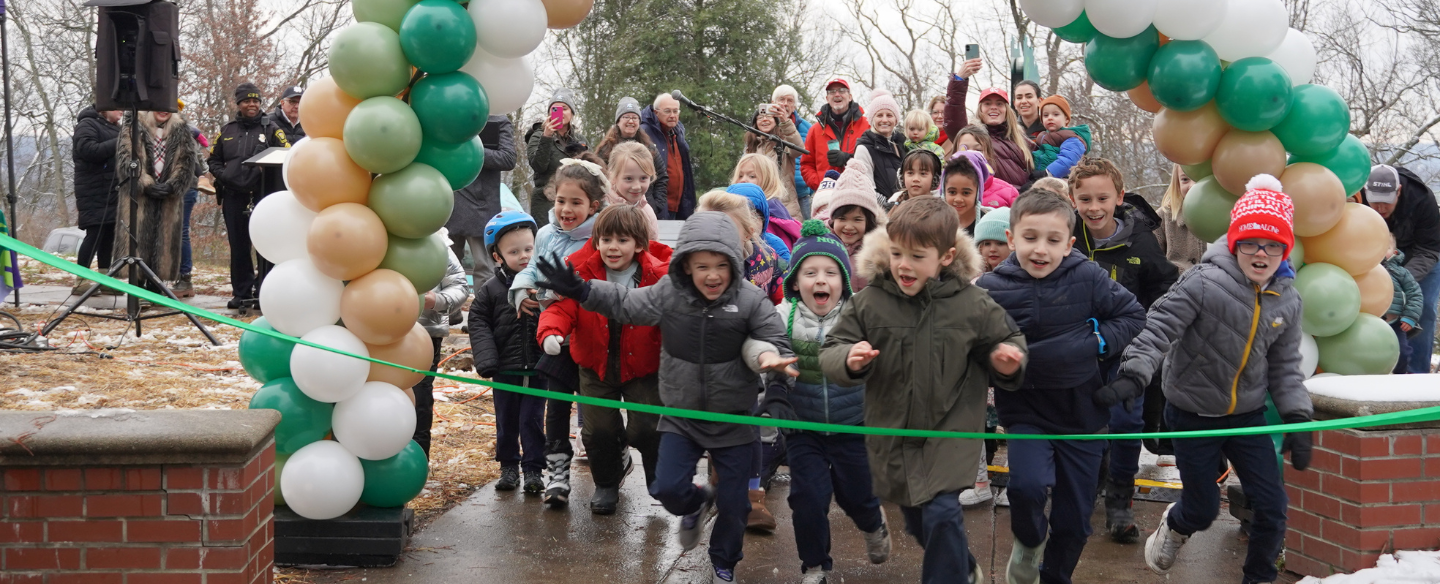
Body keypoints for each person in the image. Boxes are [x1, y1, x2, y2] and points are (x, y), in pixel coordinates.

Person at [533, 212, 798, 584]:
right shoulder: (669, 293)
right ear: (686, 265)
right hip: (681, 416)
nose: (712, 275)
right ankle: (696, 503)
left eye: (721, 266)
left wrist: (779, 387)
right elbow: (627, 302)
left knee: (736, 504)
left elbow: (776, 343)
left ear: (734, 264)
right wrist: (584, 291)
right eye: (702, 266)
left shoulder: (751, 299)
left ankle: (723, 564)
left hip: (735, 420)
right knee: (668, 489)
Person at [1107, 175, 1313, 584]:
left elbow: (1286, 366)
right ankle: (1175, 526)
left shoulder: (1287, 299)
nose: (1261, 253)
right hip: (1192, 412)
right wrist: (1134, 372)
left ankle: (1258, 578)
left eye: (1272, 244)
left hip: (1247, 415)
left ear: (1285, 249)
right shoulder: (1203, 282)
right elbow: (1158, 328)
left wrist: (1297, 415)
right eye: (1251, 242)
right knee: (1202, 510)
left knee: (1272, 508)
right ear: (1234, 242)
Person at [821, 197, 1028, 584]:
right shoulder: (870, 302)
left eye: (917, 256)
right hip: (893, 433)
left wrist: (1007, 360)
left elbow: (1009, 340)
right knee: (919, 521)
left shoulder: (973, 303)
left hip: (950, 431)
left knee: (941, 513)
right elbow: (833, 347)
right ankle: (961, 566)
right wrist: (849, 358)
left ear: (946, 257)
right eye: (897, 253)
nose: (904, 265)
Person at [977, 190, 1146, 584]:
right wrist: (993, 358)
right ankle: (1029, 541)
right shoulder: (990, 288)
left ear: (1069, 244)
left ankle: (1055, 576)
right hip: (1026, 410)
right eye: (1030, 237)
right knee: (1027, 487)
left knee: (1074, 522)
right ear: (1011, 239)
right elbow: (968, 343)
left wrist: (1095, 342)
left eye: (1053, 240)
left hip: (1082, 414)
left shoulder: (1088, 276)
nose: (1041, 249)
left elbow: (1132, 314)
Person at [763, 220, 892, 583]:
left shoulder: (859, 317)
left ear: (844, 282)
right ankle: (815, 566)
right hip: (804, 428)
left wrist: (868, 361)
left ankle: (873, 523)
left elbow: (886, 358)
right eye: (810, 273)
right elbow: (761, 346)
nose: (821, 280)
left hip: (853, 424)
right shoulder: (781, 317)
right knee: (807, 497)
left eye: (831, 273)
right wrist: (768, 366)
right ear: (794, 282)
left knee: (857, 495)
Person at [1067, 157, 1179, 543]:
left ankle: (1120, 499)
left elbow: (1164, 288)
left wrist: (1152, 335)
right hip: (1078, 346)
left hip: (1127, 348)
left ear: (1119, 196)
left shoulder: (1141, 240)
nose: (1094, 207)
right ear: (1073, 199)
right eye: (1085, 199)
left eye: (1102, 198)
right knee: (1082, 422)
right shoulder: (1066, 234)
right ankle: (1086, 485)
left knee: (1126, 422)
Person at [537, 204, 669, 514]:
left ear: (639, 244)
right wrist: (551, 332)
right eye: (606, 239)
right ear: (596, 241)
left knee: (647, 427)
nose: (613, 247)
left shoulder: (657, 275)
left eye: (622, 240)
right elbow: (562, 306)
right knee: (598, 431)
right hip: (595, 365)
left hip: (643, 367)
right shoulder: (580, 270)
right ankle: (607, 482)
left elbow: (670, 313)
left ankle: (657, 473)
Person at [508, 153, 610, 508]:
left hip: (592, 336)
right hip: (556, 339)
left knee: (596, 413)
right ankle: (557, 474)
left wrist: (555, 292)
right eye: (561, 200)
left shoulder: (600, 237)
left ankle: (609, 467)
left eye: (576, 203)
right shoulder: (547, 234)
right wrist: (521, 289)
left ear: (593, 205)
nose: (566, 209)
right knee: (556, 407)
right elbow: (534, 269)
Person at [470, 211, 547, 494]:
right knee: (506, 420)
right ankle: (509, 466)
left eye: (529, 248)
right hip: (504, 368)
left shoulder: (543, 283)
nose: (524, 256)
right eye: (514, 252)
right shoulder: (491, 290)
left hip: (538, 367)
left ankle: (534, 469)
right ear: (497, 256)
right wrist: (487, 359)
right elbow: (478, 322)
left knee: (533, 420)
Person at [208, 82, 290, 309]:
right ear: (239, 104)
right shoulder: (227, 130)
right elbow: (213, 159)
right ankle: (241, 293)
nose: (252, 105)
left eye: (255, 101)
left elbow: (288, 156)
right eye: (247, 101)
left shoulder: (271, 129)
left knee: (265, 246)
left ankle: (264, 291)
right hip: (234, 196)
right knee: (239, 246)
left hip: (263, 196)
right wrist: (224, 176)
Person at [1363, 164, 1440, 373]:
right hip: (1374, 253)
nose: (1380, 208)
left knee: (1423, 307)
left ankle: (1416, 374)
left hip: (1421, 254)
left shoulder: (1423, 200)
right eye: (1375, 201)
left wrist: (1402, 279)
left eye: (1386, 202)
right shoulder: (1356, 196)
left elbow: (1429, 249)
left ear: (1398, 192)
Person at [115, 109, 201, 287]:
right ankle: (137, 287)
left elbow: (186, 162)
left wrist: (172, 185)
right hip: (139, 198)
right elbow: (125, 158)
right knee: (137, 242)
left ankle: (157, 286)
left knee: (164, 244)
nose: (163, 111)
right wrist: (145, 183)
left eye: (168, 108)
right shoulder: (133, 126)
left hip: (168, 198)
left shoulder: (181, 129)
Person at [449, 115, 518, 290]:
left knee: (485, 268)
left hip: (480, 206)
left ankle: (483, 307)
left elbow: (508, 158)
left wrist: (472, 150)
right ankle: (449, 306)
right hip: (447, 200)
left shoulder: (497, 120)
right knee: (446, 267)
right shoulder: (447, 116)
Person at [413, 244, 469, 456]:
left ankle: (417, 461)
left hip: (424, 333)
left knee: (419, 400)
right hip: (376, 332)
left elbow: (459, 285)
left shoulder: (436, 243)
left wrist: (437, 301)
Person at [819, 151, 887, 291]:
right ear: (833, 219)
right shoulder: (821, 244)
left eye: (857, 219)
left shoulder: (880, 249)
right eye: (842, 218)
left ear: (869, 221)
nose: (849, 226)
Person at [71, 106, 122, 294]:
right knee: (94, 234)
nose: (121, 111)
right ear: (104, 108)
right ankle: (80, 281)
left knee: (109, 235)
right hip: (93, 189)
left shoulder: (116, 128)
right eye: (117, 107)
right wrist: (121, 141)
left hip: (112, 189)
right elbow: (89, 151)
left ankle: (105, 280)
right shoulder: (87, 124)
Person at [947, 81, 1035, 189]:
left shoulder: (1020, 138)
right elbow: (953, 118)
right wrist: (959, 80)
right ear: (980, 109)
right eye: (987, 103)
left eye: (999, 104)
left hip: (1023, 197)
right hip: (991, 197)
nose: (993, 107)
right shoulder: (972, 136)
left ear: (1006, 110)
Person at [595, 97, 669, 217]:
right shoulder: (606, 149)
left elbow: (661, 177)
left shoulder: (650, 148)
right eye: (626, 117)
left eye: (634, 118)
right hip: (613, 210)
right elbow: (598, 179)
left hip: (644, 208)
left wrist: (657, 205)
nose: (631, 121)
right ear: (618, 121)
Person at [526, 88, 588, 227]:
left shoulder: (580, 139)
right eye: (555, 109)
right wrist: (546, 137)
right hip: (545, 201)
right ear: (549, 113)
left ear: (572, 113)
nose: (560, 112)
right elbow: (538, 166)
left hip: (574, 200)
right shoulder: (538, 135)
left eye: (564, 108)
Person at [801, 77, 870, 191]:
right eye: (832, 92)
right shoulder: (815, 130)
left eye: (842, 91)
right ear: (827, 98)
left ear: (850, 97)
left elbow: (875, 159)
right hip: (825, 194)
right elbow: (806, 164)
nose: (837, 94)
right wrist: (820, 184)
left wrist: (848, 159)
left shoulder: (867, 126)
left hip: (858, 191)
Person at [641, 93, 697, 220]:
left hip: (679, 207)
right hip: (657, 208)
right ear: (656, 112)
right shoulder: (644, 133)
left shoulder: (678, 132)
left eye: (675, 111)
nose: (672, 115)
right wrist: (655, 206)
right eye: (667, 111)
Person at [743, 104, 805, 219]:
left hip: (785, 205)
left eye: (769, 116)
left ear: (776, 121)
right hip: (757, 206)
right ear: (755, 123)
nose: (764, 119)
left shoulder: (784, 143)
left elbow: (798, 149)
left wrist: (785, 122)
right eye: (760, 118)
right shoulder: (751, 148)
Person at [732, 153, 803, 250]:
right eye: (740, 176)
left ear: (768, 180)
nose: (743, 180)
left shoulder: (768, 216)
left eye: (752, 176)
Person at [1384, 234, 1425, 374]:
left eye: (1385, 248)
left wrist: (1410, 316)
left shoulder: (1401, 273)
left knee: (1402, 352)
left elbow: (1415, 294)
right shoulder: (1364, 271)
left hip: (1394, 323)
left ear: (1395, 252)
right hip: (1368, 322)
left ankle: (1400, 376)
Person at [772, 84, 815, 219]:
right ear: (773, 102)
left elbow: (813, 159)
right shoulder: (764, 124)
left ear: (794, 106)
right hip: (771, 191)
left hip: (801, 193)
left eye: (790, 101)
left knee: (806, 229)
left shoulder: (807, 128)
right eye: (781, 99)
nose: (785, 104)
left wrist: (810, 186)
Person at [854, 90, 906, 201]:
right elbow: (865, 189)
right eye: (879, 115)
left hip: (905, 208)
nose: (885, 120)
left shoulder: (902, 144)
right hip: (881, 209)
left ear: (896, 119)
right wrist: (889, 205)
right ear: (872, 119)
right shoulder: (864, 149)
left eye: (889, 115)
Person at [1155, 164, 1207, 272]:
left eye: (1199, 178)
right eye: (1185, 179)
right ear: (1177, 183)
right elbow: (1151, 261)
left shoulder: (1227, 214)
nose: (1192, 186)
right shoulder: (1162, 218)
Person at [605, 141, 662, 240]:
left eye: (643, 178)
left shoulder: (647, 213)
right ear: (613, 176)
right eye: (628, 178)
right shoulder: (602, 208)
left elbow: (654, 246)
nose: (637, 186)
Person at [1031, 95, 1091, 179]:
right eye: (1045, 115)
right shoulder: (1042, 137)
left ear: (1066, 119)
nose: (1050, 118)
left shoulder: (1072, 138)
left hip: (1057, 179)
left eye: (1056, 114)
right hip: (1040, 177)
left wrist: (1047, 173)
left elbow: (1069, 160)